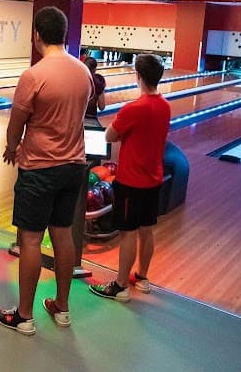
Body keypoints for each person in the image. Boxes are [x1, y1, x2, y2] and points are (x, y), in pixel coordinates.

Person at [0, 6, 92, 336]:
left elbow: (16, 124)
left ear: (37, 35)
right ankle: (62, 308)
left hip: (39, 168)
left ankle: (24, 316)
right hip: (74, 166)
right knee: (62, 234)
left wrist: (10, 149)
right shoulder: (83, 72)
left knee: (31, 240)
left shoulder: (33, 75)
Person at [89, 54, 171, 302]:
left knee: (127, 233)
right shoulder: (165, 106)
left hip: (130, 181)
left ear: (138, 76)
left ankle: (120, 286)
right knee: (146, 230)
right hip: (153, 179)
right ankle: (142, 278)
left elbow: (109, 136)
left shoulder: (133, 108)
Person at [83, 57, 107, 124]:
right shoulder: (99, 82)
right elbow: (102, 107)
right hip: (91, 119)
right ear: (95, 69)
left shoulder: (77, 79)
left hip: (77, 119)